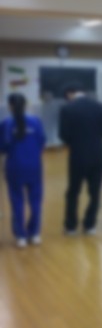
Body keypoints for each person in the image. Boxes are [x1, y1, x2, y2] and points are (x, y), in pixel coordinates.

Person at [59, 84, 102, 236]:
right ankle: (90, 225)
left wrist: (75, 142)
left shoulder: (67, 109)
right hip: (98, 155)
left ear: (70, 93)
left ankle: (71, 226)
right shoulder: (100, 106)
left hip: (78, 156)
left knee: (73, 191)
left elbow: (63, 135)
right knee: (95, 192)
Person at [0, 94, 46, 248]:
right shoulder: (36, 121)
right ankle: (35, 234)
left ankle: (21, 236)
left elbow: (2, 147)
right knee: (36, 201)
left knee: (17, 201)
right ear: (26, 105)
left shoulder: (6, 124)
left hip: (15, 166)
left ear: (10, 106)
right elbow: (42, 141)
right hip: (34, 166)